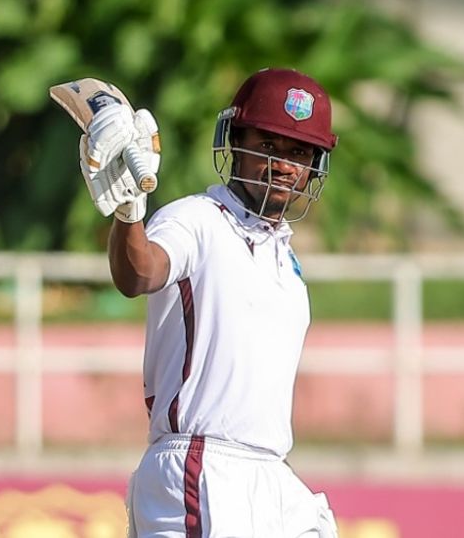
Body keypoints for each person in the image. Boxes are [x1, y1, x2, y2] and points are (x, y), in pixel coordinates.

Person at [79, 68, 339, 537]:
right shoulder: (196, 219)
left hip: (271, 475)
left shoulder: (286, 257)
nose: (283, 164)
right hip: (202, 467)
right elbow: (139, 272)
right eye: (268, 145)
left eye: (298, 152)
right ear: (234, 143)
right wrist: (129, 212)